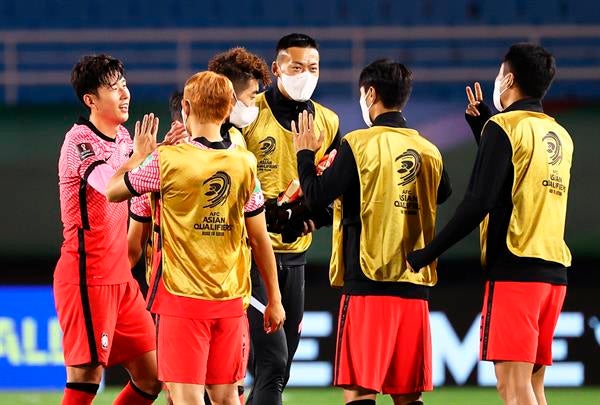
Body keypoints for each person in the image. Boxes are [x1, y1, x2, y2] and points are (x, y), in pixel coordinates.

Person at [106, 71, 286, 405]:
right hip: (232, 301)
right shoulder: (245, 164)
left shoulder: (165, 160)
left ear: (185, 108)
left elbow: (113, 191)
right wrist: (274, 299)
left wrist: (139, 155)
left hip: (180, 301)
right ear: (229, 108)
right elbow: (260, 240)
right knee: (227, 398)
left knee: (186, 399)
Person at [407, 43, 572, 405]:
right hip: (554, 273)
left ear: (509, 78)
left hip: (516, 270)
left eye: (500, 73)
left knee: (511, 389)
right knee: (534, 386)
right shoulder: (560, 134)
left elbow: (478, 203)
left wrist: (428, 253)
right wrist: (484, 129)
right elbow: (517, 181)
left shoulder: (505, 126)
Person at [293, 59, 451, 405]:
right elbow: (443, 193)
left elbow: (318, 195)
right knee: (408, 396)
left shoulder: (359, 144)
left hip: (368, 283)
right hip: (414, 288)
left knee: (361, 391)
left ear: (370, 94)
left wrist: (304, 155)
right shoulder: (429, 151)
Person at [54, 54, 161, 405]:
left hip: (121, 279)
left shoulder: (124, 137)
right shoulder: (79, 141)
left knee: (152, 375)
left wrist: (168, 150)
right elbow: (109, 183)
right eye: (114, 88)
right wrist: (141, 156)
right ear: (90, 100)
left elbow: (141, 172)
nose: (124, 93)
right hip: (87, 274)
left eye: (124, 85)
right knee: (86, 378)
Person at [242, 33, 341, 405]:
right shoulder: (250, 116)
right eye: (296, 67)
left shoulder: (328, 122)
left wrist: (311, 219)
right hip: (250, 256)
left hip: (295, 258)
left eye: (312, 68)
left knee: (278, 371)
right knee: (273, 362)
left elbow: (333, 191)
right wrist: (266, 215)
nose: (305, 74)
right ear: (276, 69)